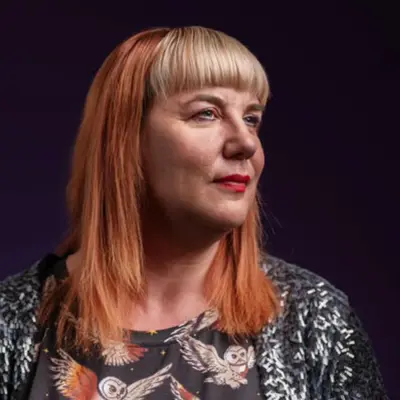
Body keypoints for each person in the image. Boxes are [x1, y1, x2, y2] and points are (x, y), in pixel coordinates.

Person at [0, 26, 387, 400]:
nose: (246, 143)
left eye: (251, 119)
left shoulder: (315, 319)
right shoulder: (10, 322)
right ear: (127, 139)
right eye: (207, 113)